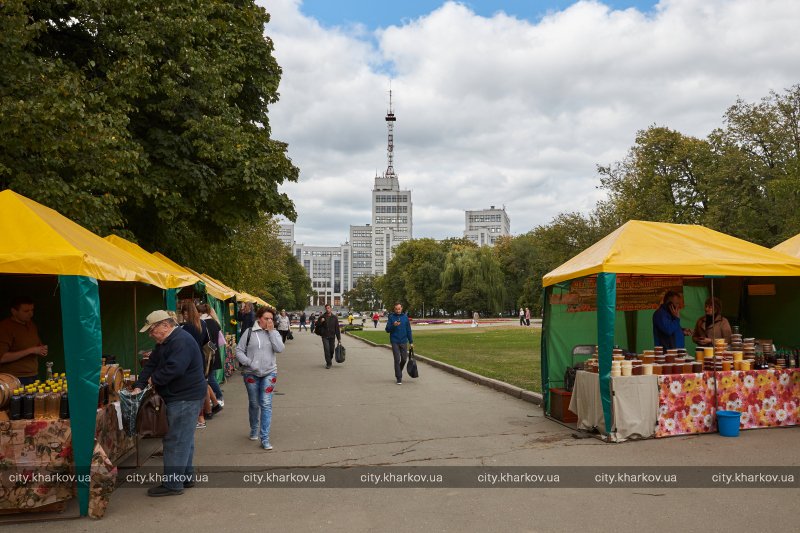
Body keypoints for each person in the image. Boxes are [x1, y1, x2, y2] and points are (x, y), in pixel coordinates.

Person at [132, 310, 207, 496]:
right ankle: (186, 477)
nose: (150, 334)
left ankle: (173, 484)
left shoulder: (181, 341)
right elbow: (151, 363)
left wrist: (152, 380)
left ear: (165, 326)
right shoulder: (167, 341)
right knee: (184, 439)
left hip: (185, 397)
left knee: (175, 440)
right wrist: (139, 385)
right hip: (183, 396)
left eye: (152, 330)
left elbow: (175, 369)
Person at [236, 306, 283, 450]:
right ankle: (253, 428)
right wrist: (249, 363)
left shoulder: (273, 333)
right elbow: (239, 350)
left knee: (266, 403)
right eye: (266, 318)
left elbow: (280, 349)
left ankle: (265, 438)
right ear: (259, 319)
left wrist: (272, 332)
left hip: (270, 372)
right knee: (254, 403)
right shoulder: (249, 332)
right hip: (251, 373)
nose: (269, 321)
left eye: (271, 318)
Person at [0, 296, 48, 385]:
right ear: (14, 311)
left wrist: (41, 349)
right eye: (26, 311)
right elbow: (2, 357)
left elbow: (35, 344)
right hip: (14, 379)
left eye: (32, 310)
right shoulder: (4, 328)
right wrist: (31, 350)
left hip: (33, 375)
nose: (31, 314)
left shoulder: (31, 324)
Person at [197, 303, 224, 408]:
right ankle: (217, 398)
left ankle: (219, 397)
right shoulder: (214, 322)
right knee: (210, 377)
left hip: (206, 353)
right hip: (214, 352)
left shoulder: (203, 323)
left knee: (210, 378)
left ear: (199, 313)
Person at [385, 302, 413, 385]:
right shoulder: (391, 317)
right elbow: (387, 330)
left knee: (404, 359)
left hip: (404, 341)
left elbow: (408, 330)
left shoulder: (405, 318)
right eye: (396, 309)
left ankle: (398, 371)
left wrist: (411, 341)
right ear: (394, 309)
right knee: (397, 359)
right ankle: (399, 377)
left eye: (399, 309)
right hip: (395, 341)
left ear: (402, 308)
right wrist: (393, 325)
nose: (398, 310)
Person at [315, 304, 341, 369]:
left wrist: (339, 339)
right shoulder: (322, 317)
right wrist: (321, 321)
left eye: (328, 308)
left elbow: (337, 329)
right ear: (325, 309)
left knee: (331, 350)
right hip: (325, 336)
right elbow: (316, 324)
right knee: (326, 350)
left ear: (331, 309)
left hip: (332, 337)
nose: (327, 309)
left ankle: (329, 359)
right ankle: (328, 363)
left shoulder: (334, 317)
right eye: (326, 308)